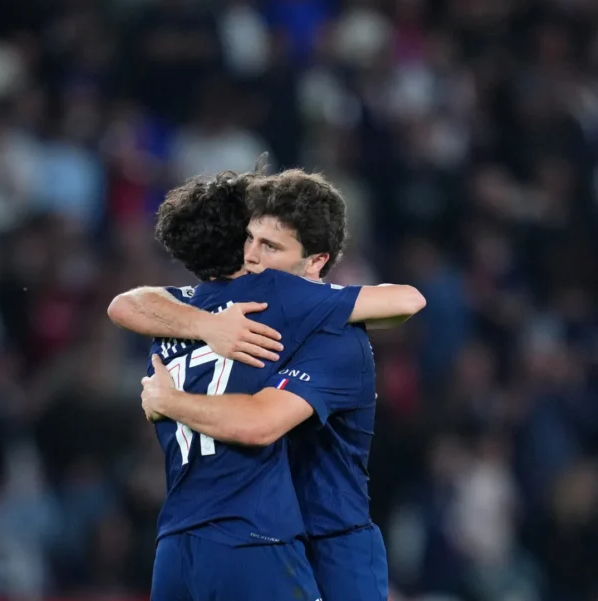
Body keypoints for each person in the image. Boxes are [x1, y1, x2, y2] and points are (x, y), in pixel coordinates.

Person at [111, 170, 411, 601]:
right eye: (250, 240)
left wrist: (170, 400)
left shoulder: (173, 318)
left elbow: (125, 304)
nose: (253, 256)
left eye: (270, 246)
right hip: (257, 536)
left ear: (315, 261)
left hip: (320, 541)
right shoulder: (244, 309)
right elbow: (257, 423)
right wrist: (207, 327)